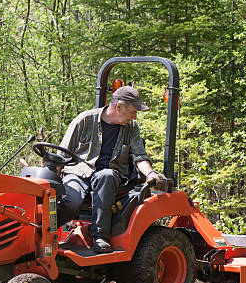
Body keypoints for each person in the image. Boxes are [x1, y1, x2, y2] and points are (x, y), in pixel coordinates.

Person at [58, 86, 167, 253]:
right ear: (119, 107)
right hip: (78, 173)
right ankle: (43, 231)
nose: (135, 116)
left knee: (106, 175)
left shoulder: (131, 128)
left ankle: (100, 237)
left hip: (108, 177)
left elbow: (140, 156)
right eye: (133, 111)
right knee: (71, 202)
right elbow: (61, 154)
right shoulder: (85, 120)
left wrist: (151, 173)